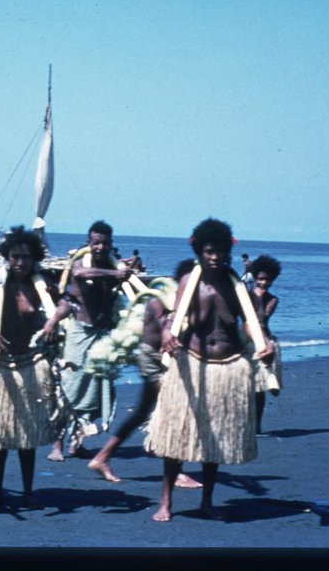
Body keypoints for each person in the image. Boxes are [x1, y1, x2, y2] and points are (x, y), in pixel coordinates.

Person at [145, 218, 273, 521]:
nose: (215, 257)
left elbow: (251, 323)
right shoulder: (189, 282)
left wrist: (264, 343)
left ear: (229, 252)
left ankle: (207, 501)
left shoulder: (237, 286)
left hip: (227, 368)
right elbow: (174, 317)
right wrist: (167, 333)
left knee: (214, 439)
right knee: (176, 437)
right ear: (200, 252)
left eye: (221, 252)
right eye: (209, 251)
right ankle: (166, 501)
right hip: (191, 364)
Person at [0, 226, 73, 510]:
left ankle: (28, 493)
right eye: (15, 257)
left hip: (31, 363)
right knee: (0, 435)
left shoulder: (42, 284)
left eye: (26, 257)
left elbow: (66, 304)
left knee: (26, 435)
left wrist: (52, 321)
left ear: (34, 258)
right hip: (0, 365)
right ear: (7, 257)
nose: (20, 262)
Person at [87, 258, 201, 489]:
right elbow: (167, 329)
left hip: (169, 360)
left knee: (141, 412)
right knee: (174, 410)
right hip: (152, 360)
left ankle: (101, 458)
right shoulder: (161, 299)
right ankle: (176, 473)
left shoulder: (186, 301)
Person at [47, 220, 132, 462]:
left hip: (103, 333)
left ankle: (77, 443)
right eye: (96, 243)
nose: (100, 247)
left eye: (105, 243)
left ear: (111, 244)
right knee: (71, 387)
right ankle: (57, 445)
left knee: (95, 390)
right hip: (80, 332)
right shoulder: (81, 264)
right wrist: (115, 273)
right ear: (89, 243)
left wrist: (125, 272)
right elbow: (79, 274)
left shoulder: (113, 265)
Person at [248, 254, 283, 435]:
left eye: (267, 280)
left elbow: (260, 320)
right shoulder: (245, 294)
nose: (263, 283)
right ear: (255, 278)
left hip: (263, 343)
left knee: (259, 388)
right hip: (246, 343)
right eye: (260, 279)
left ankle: (256, 425)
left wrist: (259, 298)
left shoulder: (272, 300)